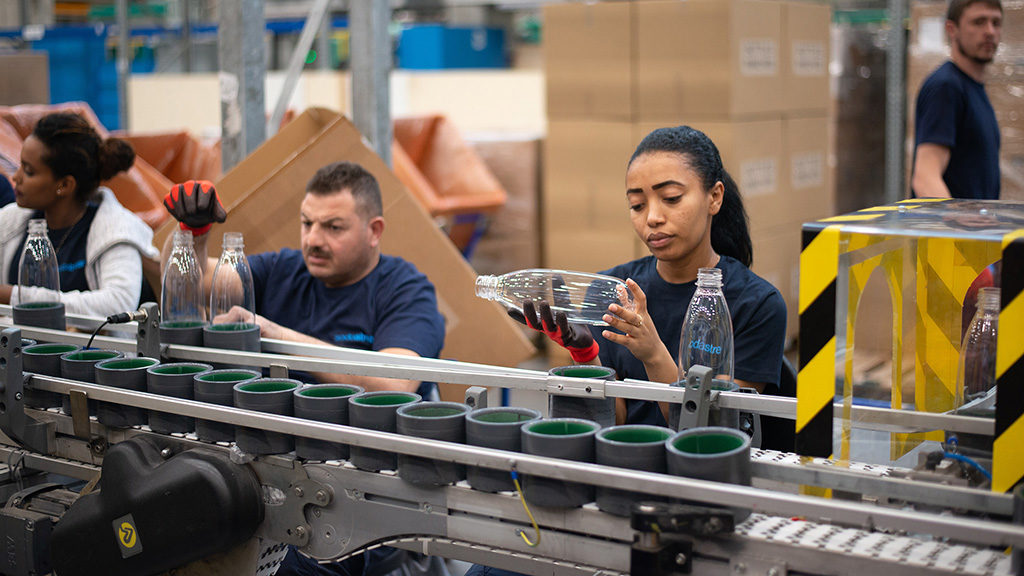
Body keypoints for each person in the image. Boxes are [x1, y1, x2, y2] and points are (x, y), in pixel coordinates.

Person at [470, 127, 790, 576]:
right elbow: (612, 421)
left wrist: (653, 352)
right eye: (637, 206)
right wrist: (585, 359)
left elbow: (716, 438)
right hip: (621, 480)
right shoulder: (613, 291)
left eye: (671, 199)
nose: (651, 219)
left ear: (714, 197)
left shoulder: (754, 303)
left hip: (696, 498)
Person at [162, 161, 448, 576]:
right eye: (307, 223)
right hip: (277, 476)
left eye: (333, 227)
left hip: (367, 497)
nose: (313, 239)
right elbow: (202, 281)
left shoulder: (405, 288)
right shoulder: (284, 270)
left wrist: (271, 331)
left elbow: (394, 383)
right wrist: (194, 234)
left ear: (374, 230)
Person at [0, 112, 158, 316]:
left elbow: (119, 303)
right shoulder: (10, 222)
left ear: (64, 185)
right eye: (20, 165)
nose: (16, 177)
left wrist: (13, 296)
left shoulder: (116, 230)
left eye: (29, 171)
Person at [911, 0, 1003, 199]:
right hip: (958, 229)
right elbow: (925, 178)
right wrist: (957, 229)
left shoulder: (973, 88)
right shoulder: (946, 87)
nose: (990, 31)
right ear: (952, 29)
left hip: (979, 229)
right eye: (979, 22)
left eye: (996, 23)